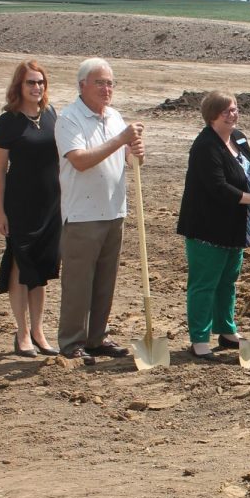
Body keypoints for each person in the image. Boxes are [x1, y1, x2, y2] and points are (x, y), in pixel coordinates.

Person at [54, 58, 144, 365]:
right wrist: (120, 139)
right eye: (100, 83)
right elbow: (79, 159)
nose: (107, 89)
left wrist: (134, 152)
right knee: (79, 282)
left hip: (113, 210)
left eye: (110, 83)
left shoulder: (115, 117)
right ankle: (71, 341)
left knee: (105, 281)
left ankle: (96, 336)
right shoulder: (69, 119)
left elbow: (125, 155)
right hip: (82, 214)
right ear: (82, 86)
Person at [176, 91, 250, 361]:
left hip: (235, 226)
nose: (233, 114)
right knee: (205, 283)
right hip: (207, 227)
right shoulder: (205, 146)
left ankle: (227, 330)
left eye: (235, 109)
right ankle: (199, 339)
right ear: (212, 116)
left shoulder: (238, 138)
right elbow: (219, 188)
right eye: (226, 111)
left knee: (228, 281)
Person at [0, 61, 62, 358]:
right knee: (20, 263)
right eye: (31, 83)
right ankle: (21, 333)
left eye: (40, 82)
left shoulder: (50, 115)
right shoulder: (7, 121)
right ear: (18, 87)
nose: (37, 88)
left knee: (42, 268)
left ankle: (39, 330)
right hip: (20, 204)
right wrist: (0, 211)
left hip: (51, 204)